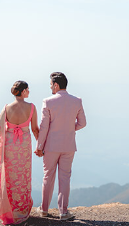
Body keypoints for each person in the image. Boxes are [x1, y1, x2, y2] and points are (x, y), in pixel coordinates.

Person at [35, 72, 87, 221]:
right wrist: (70, 129)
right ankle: (63, 212)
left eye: (51, 84)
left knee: (48, 176)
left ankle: (44, 210)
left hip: (51, 146)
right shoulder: (77, 101)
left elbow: (44, 127)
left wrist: (39, 146)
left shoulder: (48, 102)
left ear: (56, 85)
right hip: (69, 145)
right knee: (65, 178)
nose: (50, 87)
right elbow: (83, 123)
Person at [0, 80, 40, 225]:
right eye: (28, 89)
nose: (29, 92)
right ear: (23, 91)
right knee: (23, 176)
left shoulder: (6, 108)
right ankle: (21, 211)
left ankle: (11, 210)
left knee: (10, 176)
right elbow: (34, 129)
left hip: (10, 146)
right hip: (24, 146)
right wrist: (41, 145)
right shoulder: (31, 107)